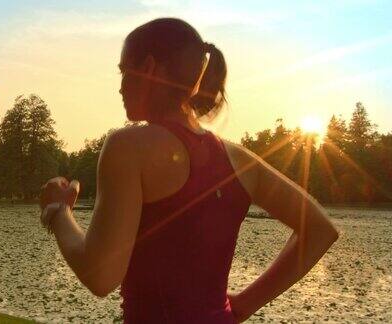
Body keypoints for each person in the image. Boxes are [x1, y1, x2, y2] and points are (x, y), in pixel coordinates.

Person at [39, 17, 339, 323]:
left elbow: (101, 276)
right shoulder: (239, 160)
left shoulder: (127, 147)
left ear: (149, 68)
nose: (119, 87)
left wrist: (59, 212)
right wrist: (242, 307)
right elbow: (319, 229)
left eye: (124, 71)